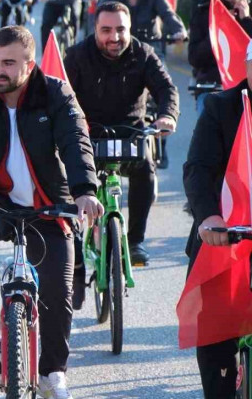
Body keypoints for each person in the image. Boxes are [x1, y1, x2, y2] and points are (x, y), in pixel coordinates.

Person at [0, 26, 102, 399]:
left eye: (8, 63)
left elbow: (75, 142)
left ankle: (52, 376)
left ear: (29, 66)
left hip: (48, 201)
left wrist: (84, 190)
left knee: (57, 291)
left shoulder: (56, 93)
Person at [63, 1, 179, 266]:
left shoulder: (145, 54)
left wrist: (167, 116)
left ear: (130, 29)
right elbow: (60, 93)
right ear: (94, 29)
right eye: (106, 30)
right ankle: (76, 244)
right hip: (88, 135)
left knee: (145, 172)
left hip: (131, 134)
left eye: (120, 30)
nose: (114, 37)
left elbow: (167, 89)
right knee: (68, 181)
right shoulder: (77, 56)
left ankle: (136, 241)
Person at [181, 40, 252, 399]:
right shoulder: (221, 108)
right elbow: (198, 168)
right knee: (216, 324)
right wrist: (208, 217)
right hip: (227, 233)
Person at [189, 0, 252, 113]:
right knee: (207, 126)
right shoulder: (204, 8)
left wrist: (246, 20)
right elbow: (194, 58)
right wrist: (220, 28)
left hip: (246, 91)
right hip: (212, 88)